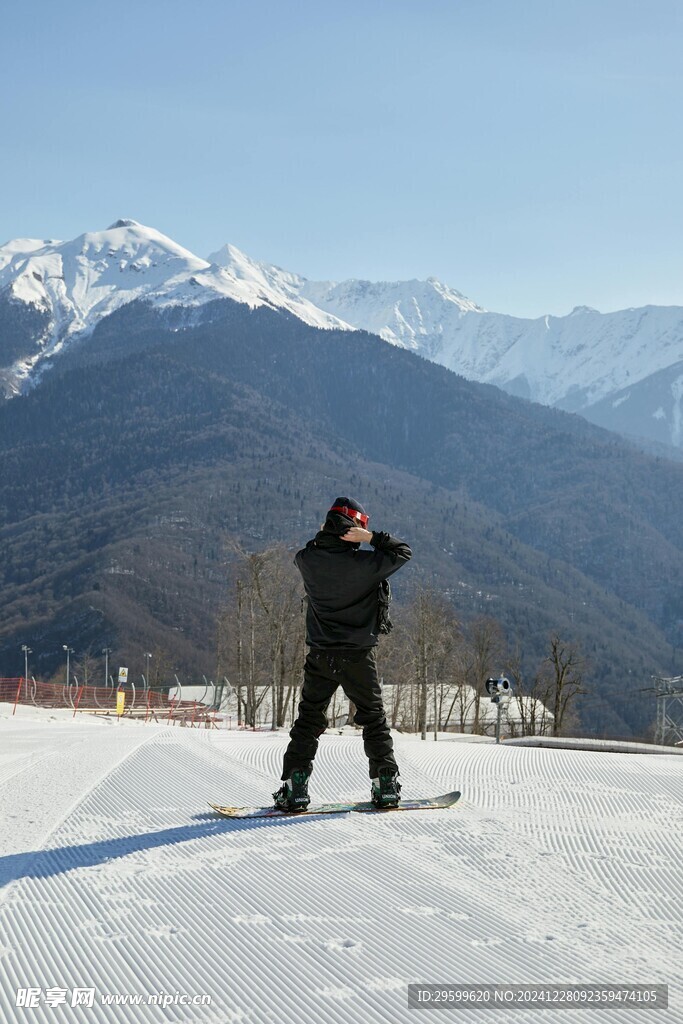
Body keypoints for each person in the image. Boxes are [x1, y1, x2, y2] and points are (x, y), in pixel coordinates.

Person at [273, 497, 412, 812]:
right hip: (358, 656)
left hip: (321, 654)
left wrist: (326, 535)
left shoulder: (307, 560)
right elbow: (403, 551)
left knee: (309, 720)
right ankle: (385, 785)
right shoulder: (366, 565)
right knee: (373, 720)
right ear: (354, 529)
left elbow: (307, 550)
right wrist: (372, 539)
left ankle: (295, 788)